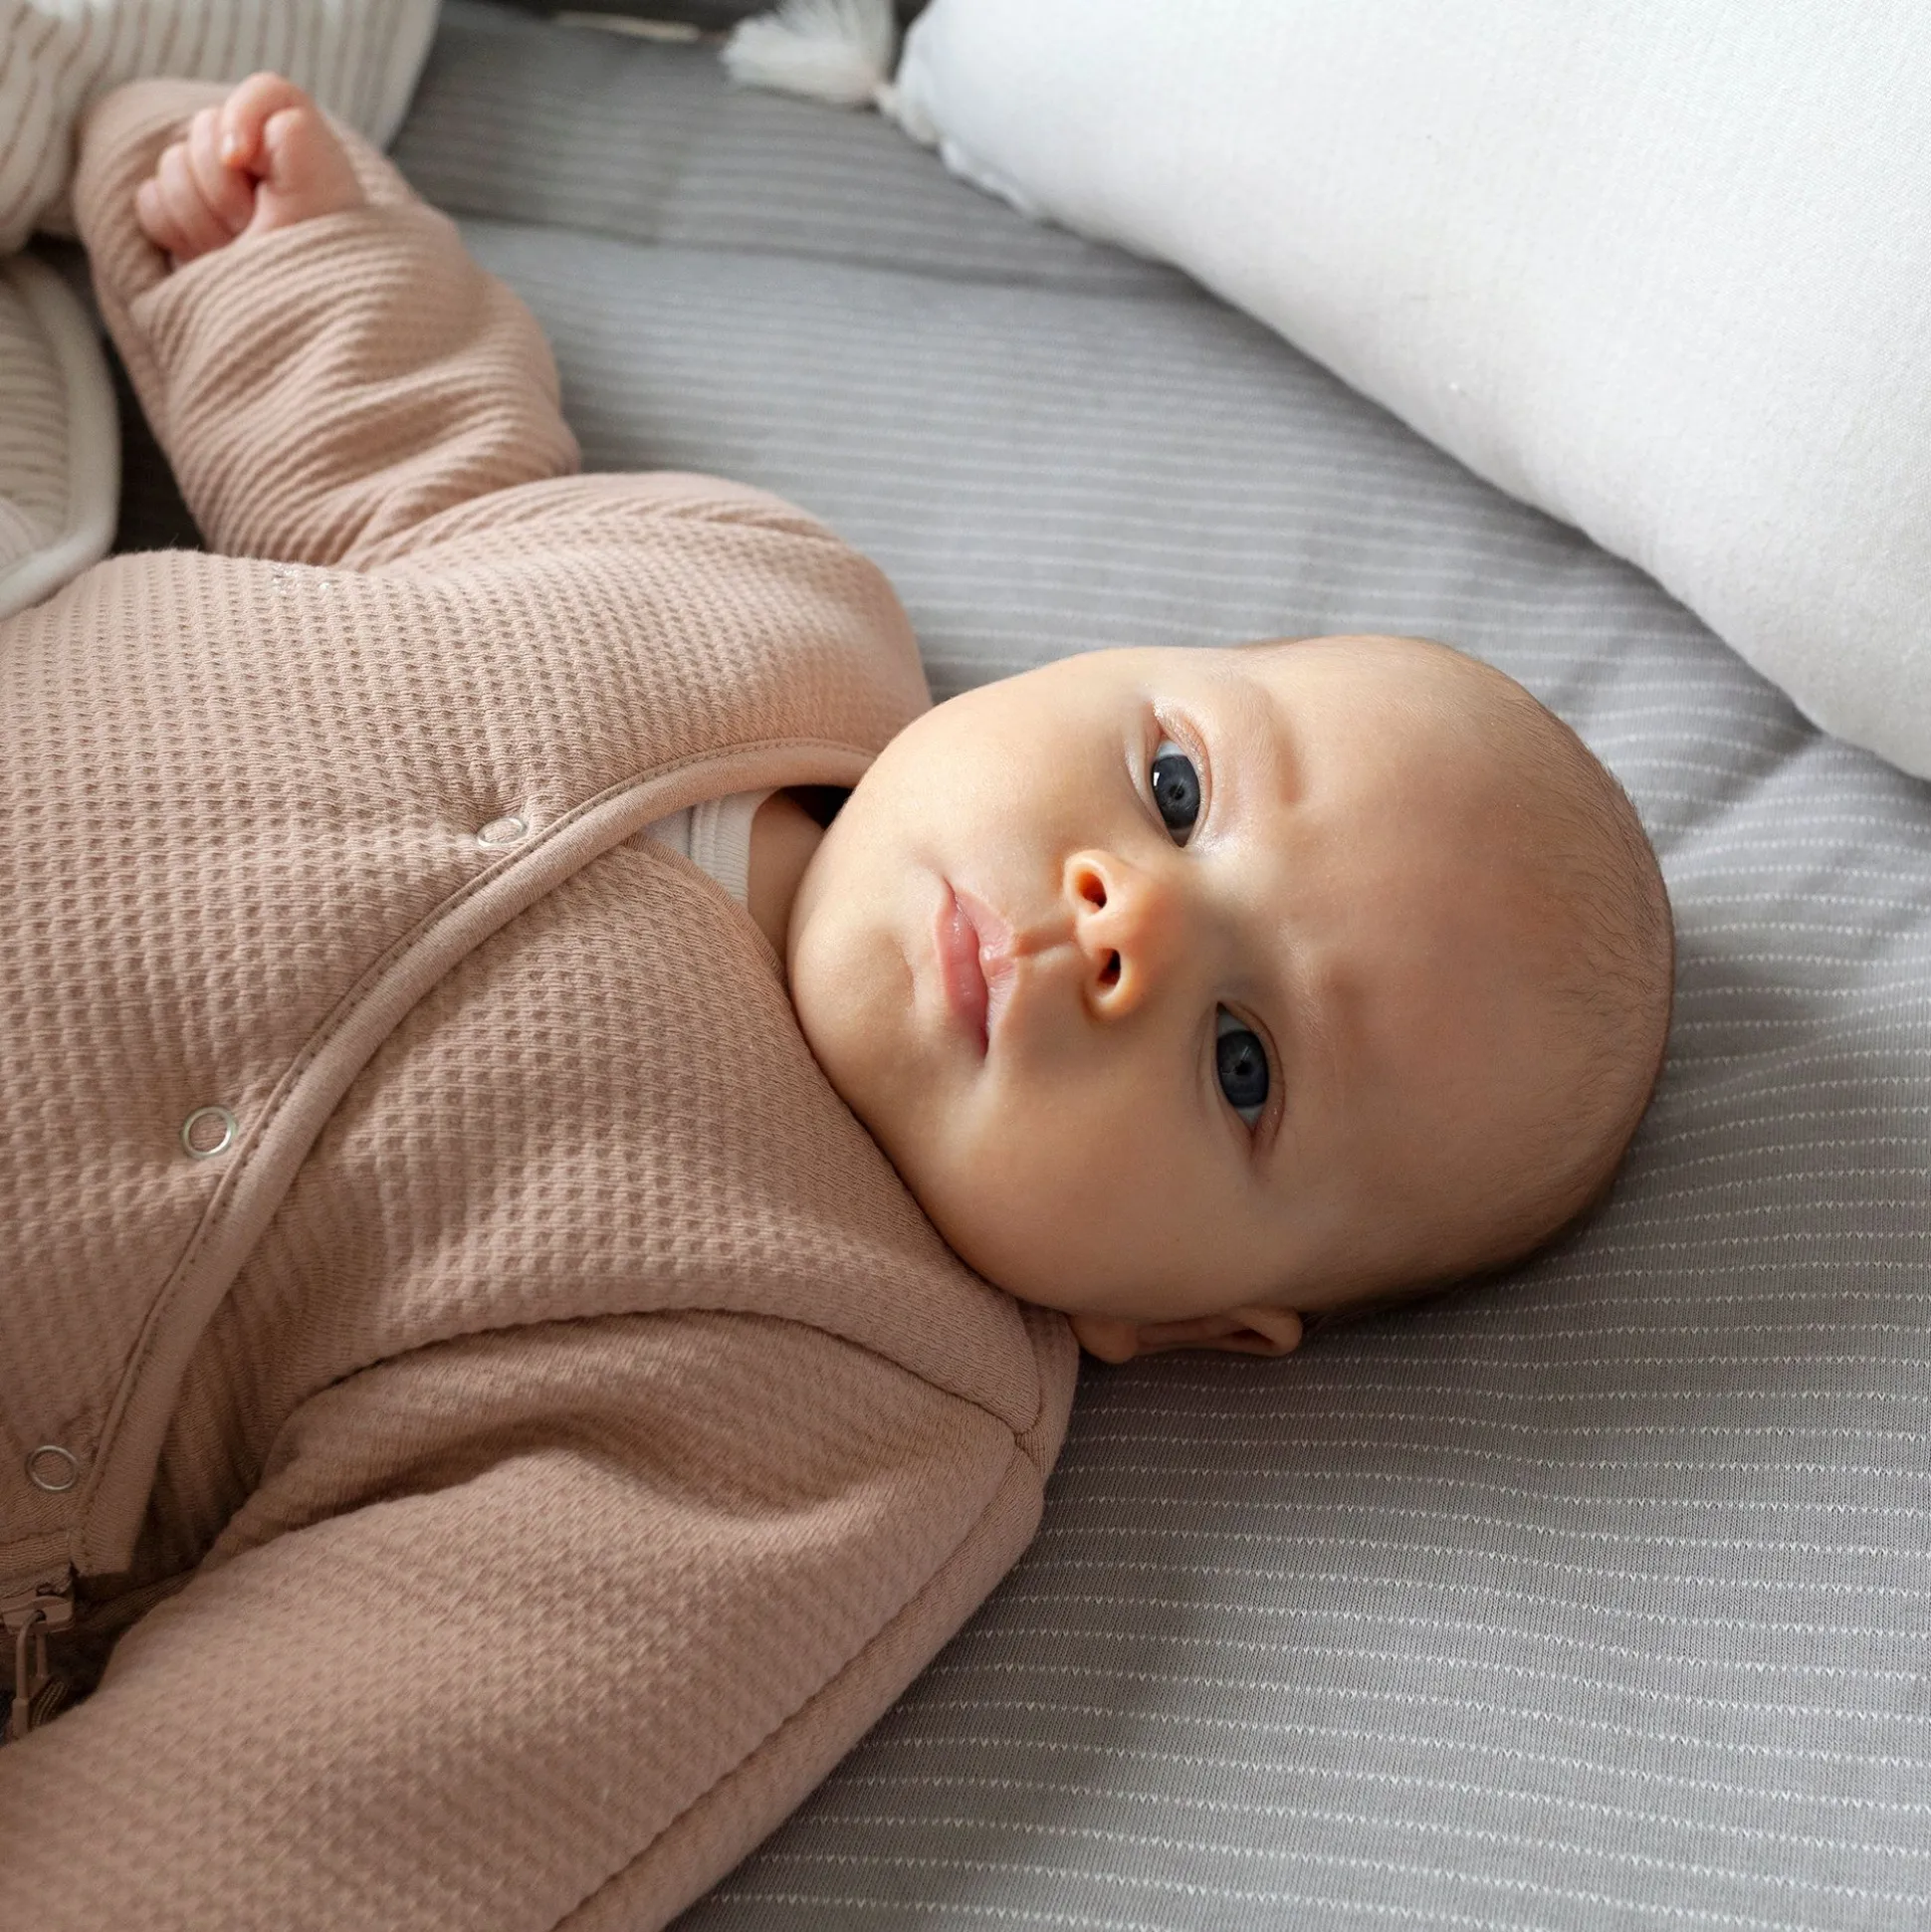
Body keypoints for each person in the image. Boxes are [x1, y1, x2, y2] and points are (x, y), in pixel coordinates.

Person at [0, 74, 1672, 1930]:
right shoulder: (760, 595)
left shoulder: (835, 1409)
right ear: (1095, 663)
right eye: (1177, 789)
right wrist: (277, 248)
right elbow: (414, 471)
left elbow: (349, 1801)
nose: (1127, 920)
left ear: (1191, 1323)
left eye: (1242, 1060)